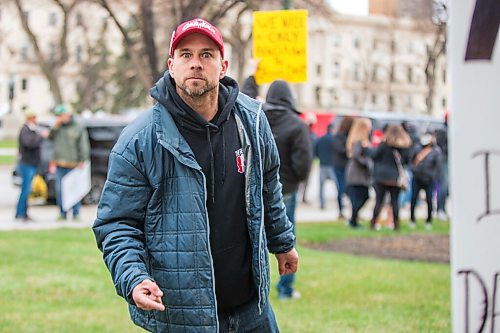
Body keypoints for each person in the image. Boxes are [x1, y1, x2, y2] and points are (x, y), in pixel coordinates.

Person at [93, 18, 298, 332]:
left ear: (223, 65)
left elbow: (268, 184)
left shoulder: (253, 122)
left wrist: (282, 241)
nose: (196, 64)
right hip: (182, 318)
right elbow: (117, 224)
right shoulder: (139, 140)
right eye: (186, 55)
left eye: (207, 55)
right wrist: (134, 278)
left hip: (252, 311)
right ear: (171, 65)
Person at [262, 80, 313, 300]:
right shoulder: (297, 125)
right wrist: (297, 180)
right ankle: (285, 288)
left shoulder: (256, 118)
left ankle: (255, 288)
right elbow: (304, 162)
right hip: (286, 188)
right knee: (286, 239)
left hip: (255, 188)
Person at [48, 104, 90, 221]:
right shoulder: (57, 127)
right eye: (58, 116)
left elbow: (83, 145)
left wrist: (82, 159)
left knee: (74, 190)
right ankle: (62, 213)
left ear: (68, 115)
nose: (60, 118)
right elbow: (49, 137)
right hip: (59, 164)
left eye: (62, 115)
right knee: (60, 190)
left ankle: (76, 213)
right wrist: (55, 126)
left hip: (74, 164)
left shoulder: (78, 127)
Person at [370, 124, 412, 231]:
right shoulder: (403, 146)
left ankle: (374, 223)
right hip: (395, 177)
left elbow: (375, 156)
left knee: (379, 201)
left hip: (381, 176)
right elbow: (406, 161)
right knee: (394, 202)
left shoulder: (384, 144)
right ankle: (396, 224)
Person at [15, 110, 47, 221]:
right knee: (26, 190)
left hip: (32, 164)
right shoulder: (25, 130)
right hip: (26, 164)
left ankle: (23, 213)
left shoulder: (32, 130)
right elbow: (29, 143)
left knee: (27, 190)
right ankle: (20, 213)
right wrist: (40, 137)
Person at [409, 133, 443, 230]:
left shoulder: (436, 151)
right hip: (417, 178)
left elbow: (438, 166)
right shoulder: (417, 148)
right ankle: (412, 220)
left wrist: (432, 176)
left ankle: (429, 221)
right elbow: (411, 162)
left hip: (429, 180)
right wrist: (415, 171)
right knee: (413, 199)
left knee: (429, 200)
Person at [345, 117, 373, 228]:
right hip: (357, 174)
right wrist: (368, 163)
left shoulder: (363, 141)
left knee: (361, 197)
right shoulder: (358, 142)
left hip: (360, 175)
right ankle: (353, 220)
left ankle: (353, 219)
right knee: (360, 197)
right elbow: (357, 156)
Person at [331, 116, 354, 219]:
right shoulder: (339, 136)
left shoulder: (347, 136)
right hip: (340, 166)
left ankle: (351, 210)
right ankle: (341, 210)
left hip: (347, 166)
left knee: (348, 188)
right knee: (341, 188)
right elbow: (340, 150)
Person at [315, 124, 336, 211]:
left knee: (321, 186)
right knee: (337, 185)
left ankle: (322, 204)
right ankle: (340, 203)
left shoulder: (321, 139)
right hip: (332, 164)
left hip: (322, 164)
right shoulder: (334, 139)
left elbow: (316, 151)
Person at [434, 114, 449, 220]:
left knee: (445, 187)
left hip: (446, 161)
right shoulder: (443, 130)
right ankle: (440, 209)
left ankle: (442, 209)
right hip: (444, 161)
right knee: (443, 186)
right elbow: (440, 147)